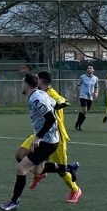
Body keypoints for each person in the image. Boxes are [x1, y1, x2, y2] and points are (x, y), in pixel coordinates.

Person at [0, 73, 78, 211]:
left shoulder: (35, 98)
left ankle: (13, 202)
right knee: (36, 169)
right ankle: (67, 168)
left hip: (47, 142)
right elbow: (55, 104)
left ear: (27, 84)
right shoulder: (40, 94)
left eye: (23, 83)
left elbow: (50, 119)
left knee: (21, 168)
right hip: (49, 139)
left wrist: (38, 137)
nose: (21, 86)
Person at [22, 71, 82, 203]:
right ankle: (40, 172)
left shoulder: (50, 93)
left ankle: (75, 189)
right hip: (40, 134)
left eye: (37, 79)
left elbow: (62, 100)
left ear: (41, 81)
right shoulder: (37, 93)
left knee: (62, 169)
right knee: (20, 154)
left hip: (56, 137)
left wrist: (59, 103)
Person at [73, 65, 99, 131]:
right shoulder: (82, 77)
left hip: (90, 97)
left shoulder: (96, 78)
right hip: (83, 96)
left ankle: (78, 123)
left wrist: (96, 93)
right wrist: (75, 93)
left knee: (85, 112)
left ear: (93, 70)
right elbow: (78, 85)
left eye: (90, 68)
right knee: (84, 110)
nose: (89, 69)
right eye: (88, 68)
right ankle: (79, 126)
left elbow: (96, 87)